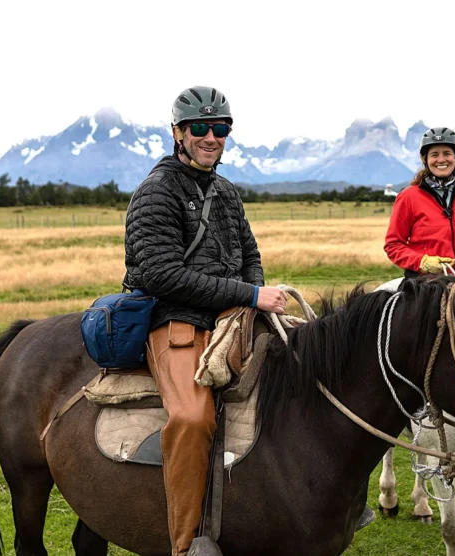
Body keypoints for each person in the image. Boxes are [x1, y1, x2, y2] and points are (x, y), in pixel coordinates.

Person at [124, 86, 288, 556]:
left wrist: (251, 299)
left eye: (220, 128)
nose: (211, 137)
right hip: (175, 320)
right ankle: (184, 543)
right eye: (200, 128)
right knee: (193, 418)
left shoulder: (226, 191)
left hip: (234, 316)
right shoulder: (156, 192)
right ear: (178, 132)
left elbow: (250, 254)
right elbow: (162, 274)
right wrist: (250, 293)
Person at [384, 127, 455, 278]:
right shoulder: (408, 197)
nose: (441, 160)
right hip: (422, 285)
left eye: (447, 153)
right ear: (425, 159)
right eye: (434, 154)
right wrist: (422, 262)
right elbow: (393, 245)